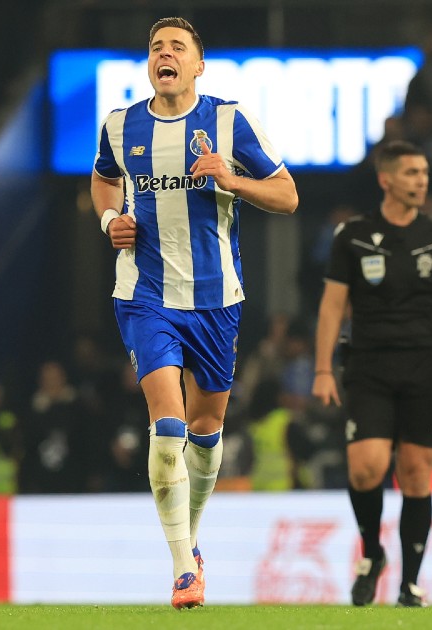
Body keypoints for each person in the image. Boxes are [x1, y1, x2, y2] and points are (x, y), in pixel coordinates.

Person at [91, 16, 298, 609]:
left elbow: (287, 195)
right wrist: (110, 220)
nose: (165, 54)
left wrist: (232, 180)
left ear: (198, 65)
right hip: (144, 294)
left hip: (215, 299)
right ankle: (184, 568)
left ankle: (192, 539)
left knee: (205, 434)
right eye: (156, 47)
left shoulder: (229, 122)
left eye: (177, 47)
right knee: (168, 426)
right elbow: (102, 182)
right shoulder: (120, 125)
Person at [312, 140, 432, 608]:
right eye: (411, 173)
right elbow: (332, 306)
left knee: (416, 473)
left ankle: (411, 584)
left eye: (424, 172)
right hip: (368, 364)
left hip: (424, 365)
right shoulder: (354, 235)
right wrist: (323, 368)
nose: (421, 181)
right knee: (366, 467)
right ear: (385, 179)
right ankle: (372, 553)